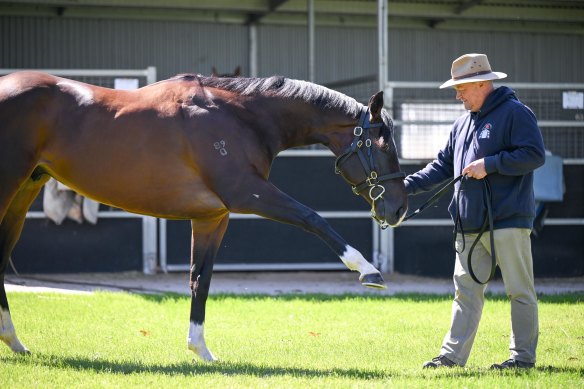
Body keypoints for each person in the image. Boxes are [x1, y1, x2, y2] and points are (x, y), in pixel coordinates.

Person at [404, 53, 545, 369]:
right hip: (468, 224)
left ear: (482, 83)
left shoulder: (516, 114)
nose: (458, 96)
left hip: (507, 221)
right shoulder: (461, 123)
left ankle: (521, 359)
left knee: (519, 291)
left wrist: (490, 165)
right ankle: (451, 358)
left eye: (461, 89)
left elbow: (534, 155)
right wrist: (405, 186)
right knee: (465, 294)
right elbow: (442, 166)